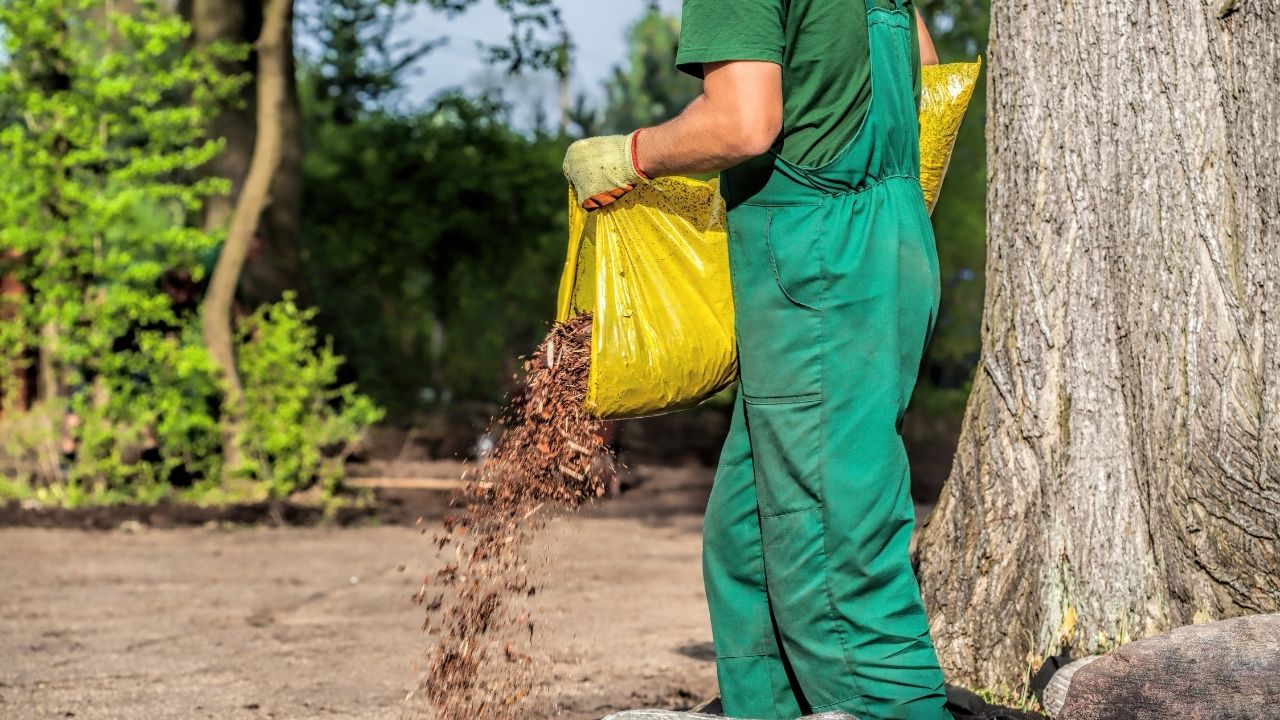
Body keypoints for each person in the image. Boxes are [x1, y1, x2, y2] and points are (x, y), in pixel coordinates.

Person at [562, 1, 948, 718]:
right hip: (887, 241)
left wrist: (632, 154)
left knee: (834, 564)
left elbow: (743, 122)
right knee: (749, 548)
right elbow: (924, 67)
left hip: (817, 264)